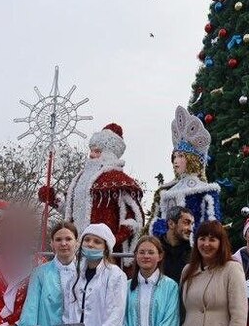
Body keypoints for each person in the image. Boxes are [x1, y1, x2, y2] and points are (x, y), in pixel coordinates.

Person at [41, 123, 145, 255]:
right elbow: (71, 212)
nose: (91, 155)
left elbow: (134, 219)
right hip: (76, 252)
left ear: (109, 154)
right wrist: (52, 199)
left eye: (97, 151)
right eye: (91, 150)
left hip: (105, 254)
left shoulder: (120, 182)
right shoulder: (79, 180)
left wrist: (113, 240)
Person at [150, 106, 221, 244]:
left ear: (192, 159)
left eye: (181, 156)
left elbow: (211, 225)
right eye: (174, 156)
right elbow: (159, 224)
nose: (175, 161)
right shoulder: (166, 192)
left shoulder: (206, 191)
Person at [157, 206, 194, 283]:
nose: (190, 229)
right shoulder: (154, 250)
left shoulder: (193, 254)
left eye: (191, 224)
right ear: (171, 224)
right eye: (186, 223)